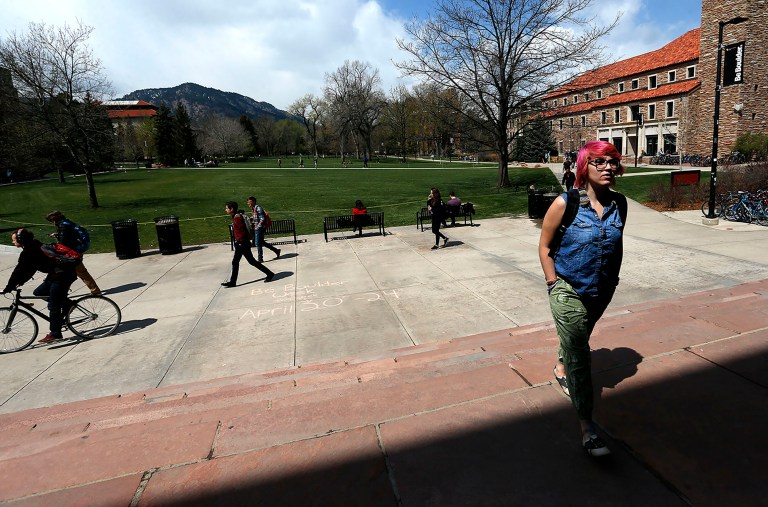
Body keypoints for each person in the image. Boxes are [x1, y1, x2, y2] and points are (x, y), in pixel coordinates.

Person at [538, 140, 627, 457]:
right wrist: (552, 283)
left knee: (578, 338)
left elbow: (614, 243)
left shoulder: (620, 204)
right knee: (580, 353)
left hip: (601, 289)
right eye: (599, 162)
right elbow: (545, 247)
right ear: (583, 167)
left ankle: (560, 367)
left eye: (612, 161)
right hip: (567, 287)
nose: (607, 167)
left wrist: (611, 280)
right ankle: (587, 428)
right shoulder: (566, 203)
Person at [2, 228, 78, 344]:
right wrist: (21, 281)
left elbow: (18, 271)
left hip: (62, 275)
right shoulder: (33, 246)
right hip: (56, 274)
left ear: (21, 240)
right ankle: (67, 305)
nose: (12, 242)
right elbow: (31, 268)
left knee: (53, 306)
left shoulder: (29, 251)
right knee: (39, 292)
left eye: (14, 240)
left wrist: (8, 287)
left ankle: (55, 333)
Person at [46, 211, 101, 295]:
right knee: (72, 272)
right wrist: (58, 234)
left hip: (72, 253)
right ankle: (65, 292)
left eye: (51, 221)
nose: (52, 223)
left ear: (54, 220)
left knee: (80, 272)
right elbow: (71, 236)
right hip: (77, 250)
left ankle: (95, 290)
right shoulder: (68, 223)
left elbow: (63, 243)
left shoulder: (63, 226)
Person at [222, 201, 274, 287]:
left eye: (227, 208)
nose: (225, 210)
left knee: (251, 261)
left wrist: (240, 242)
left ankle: (270, 273)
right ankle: (232, 282)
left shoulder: (237, 218)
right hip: (241, 243)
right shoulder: (236, 216)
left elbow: (242, 232)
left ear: (232, 209)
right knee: (236, 262)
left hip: (242, 243)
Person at [246, 196, 280, 262]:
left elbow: (262, 219)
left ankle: (260, 258)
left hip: (260, 228)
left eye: (249, 202)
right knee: (262, 242)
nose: (248, 204)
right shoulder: (254, 209)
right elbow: (257, 217)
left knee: (257, 243)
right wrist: (252, 218)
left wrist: (257, 226)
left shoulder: (258, 208)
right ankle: (276, 250)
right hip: (258, 228)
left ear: (253, 202)